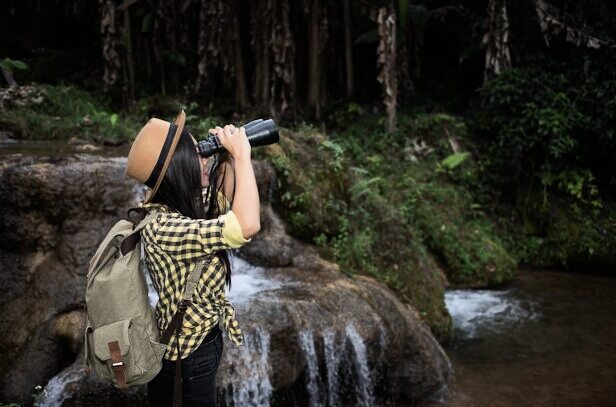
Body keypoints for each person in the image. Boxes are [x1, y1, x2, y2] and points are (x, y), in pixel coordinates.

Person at [125, 110, 260, 406]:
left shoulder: (173, 208)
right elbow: (244, 225)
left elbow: (222, 206)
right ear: (177, 168)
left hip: (196, 342)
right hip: (187, 359)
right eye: (197, 154)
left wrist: (225, 157)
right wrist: (242, 157)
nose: (204, 158)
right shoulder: (165, 228)